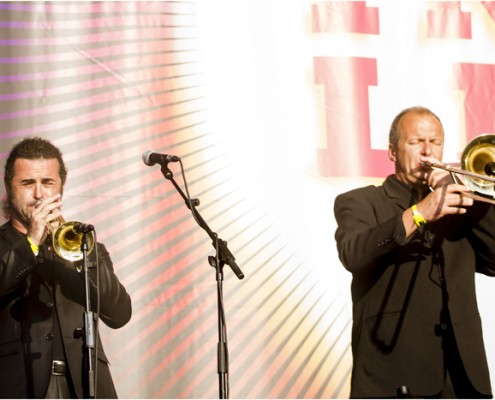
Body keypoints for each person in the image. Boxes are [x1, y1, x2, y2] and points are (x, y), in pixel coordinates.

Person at [334, 106, 495, 398]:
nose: (427, 152)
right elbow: (353, 253)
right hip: (396, 374)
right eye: (416, 142)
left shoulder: (460, 206)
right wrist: (420, 212)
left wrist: (475, 197)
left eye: (435, 142)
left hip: (463, 379)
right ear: (392, 151)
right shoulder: (360, 201)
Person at [0, 137, 132, 398]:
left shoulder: (84, 243)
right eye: (28, 183)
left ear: (61, 188)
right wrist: (31, 244)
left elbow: (119, 314)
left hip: (84, 384)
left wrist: (84, 256)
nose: (39, 194)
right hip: (19, 384)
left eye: (48, 183)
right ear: (9, 187)